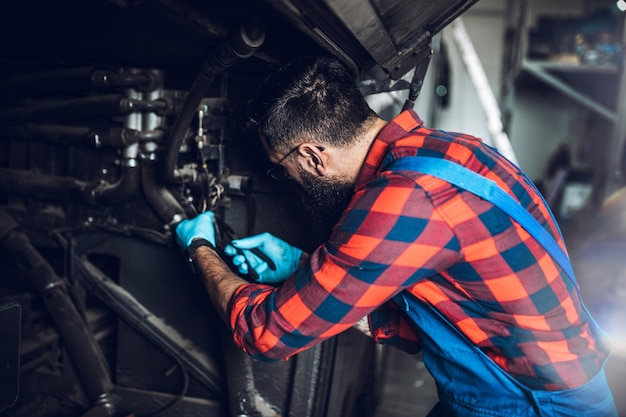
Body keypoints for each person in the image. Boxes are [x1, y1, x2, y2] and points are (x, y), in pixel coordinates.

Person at [174, 56, 618, 416]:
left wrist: (199, 248)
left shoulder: (403, 197)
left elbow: (267, 333)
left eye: (284, 171)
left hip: (532, 405)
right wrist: (301, 267)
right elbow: (433, 320)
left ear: (312, 158)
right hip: (541, 384)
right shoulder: (452, 150)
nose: (292, 183)